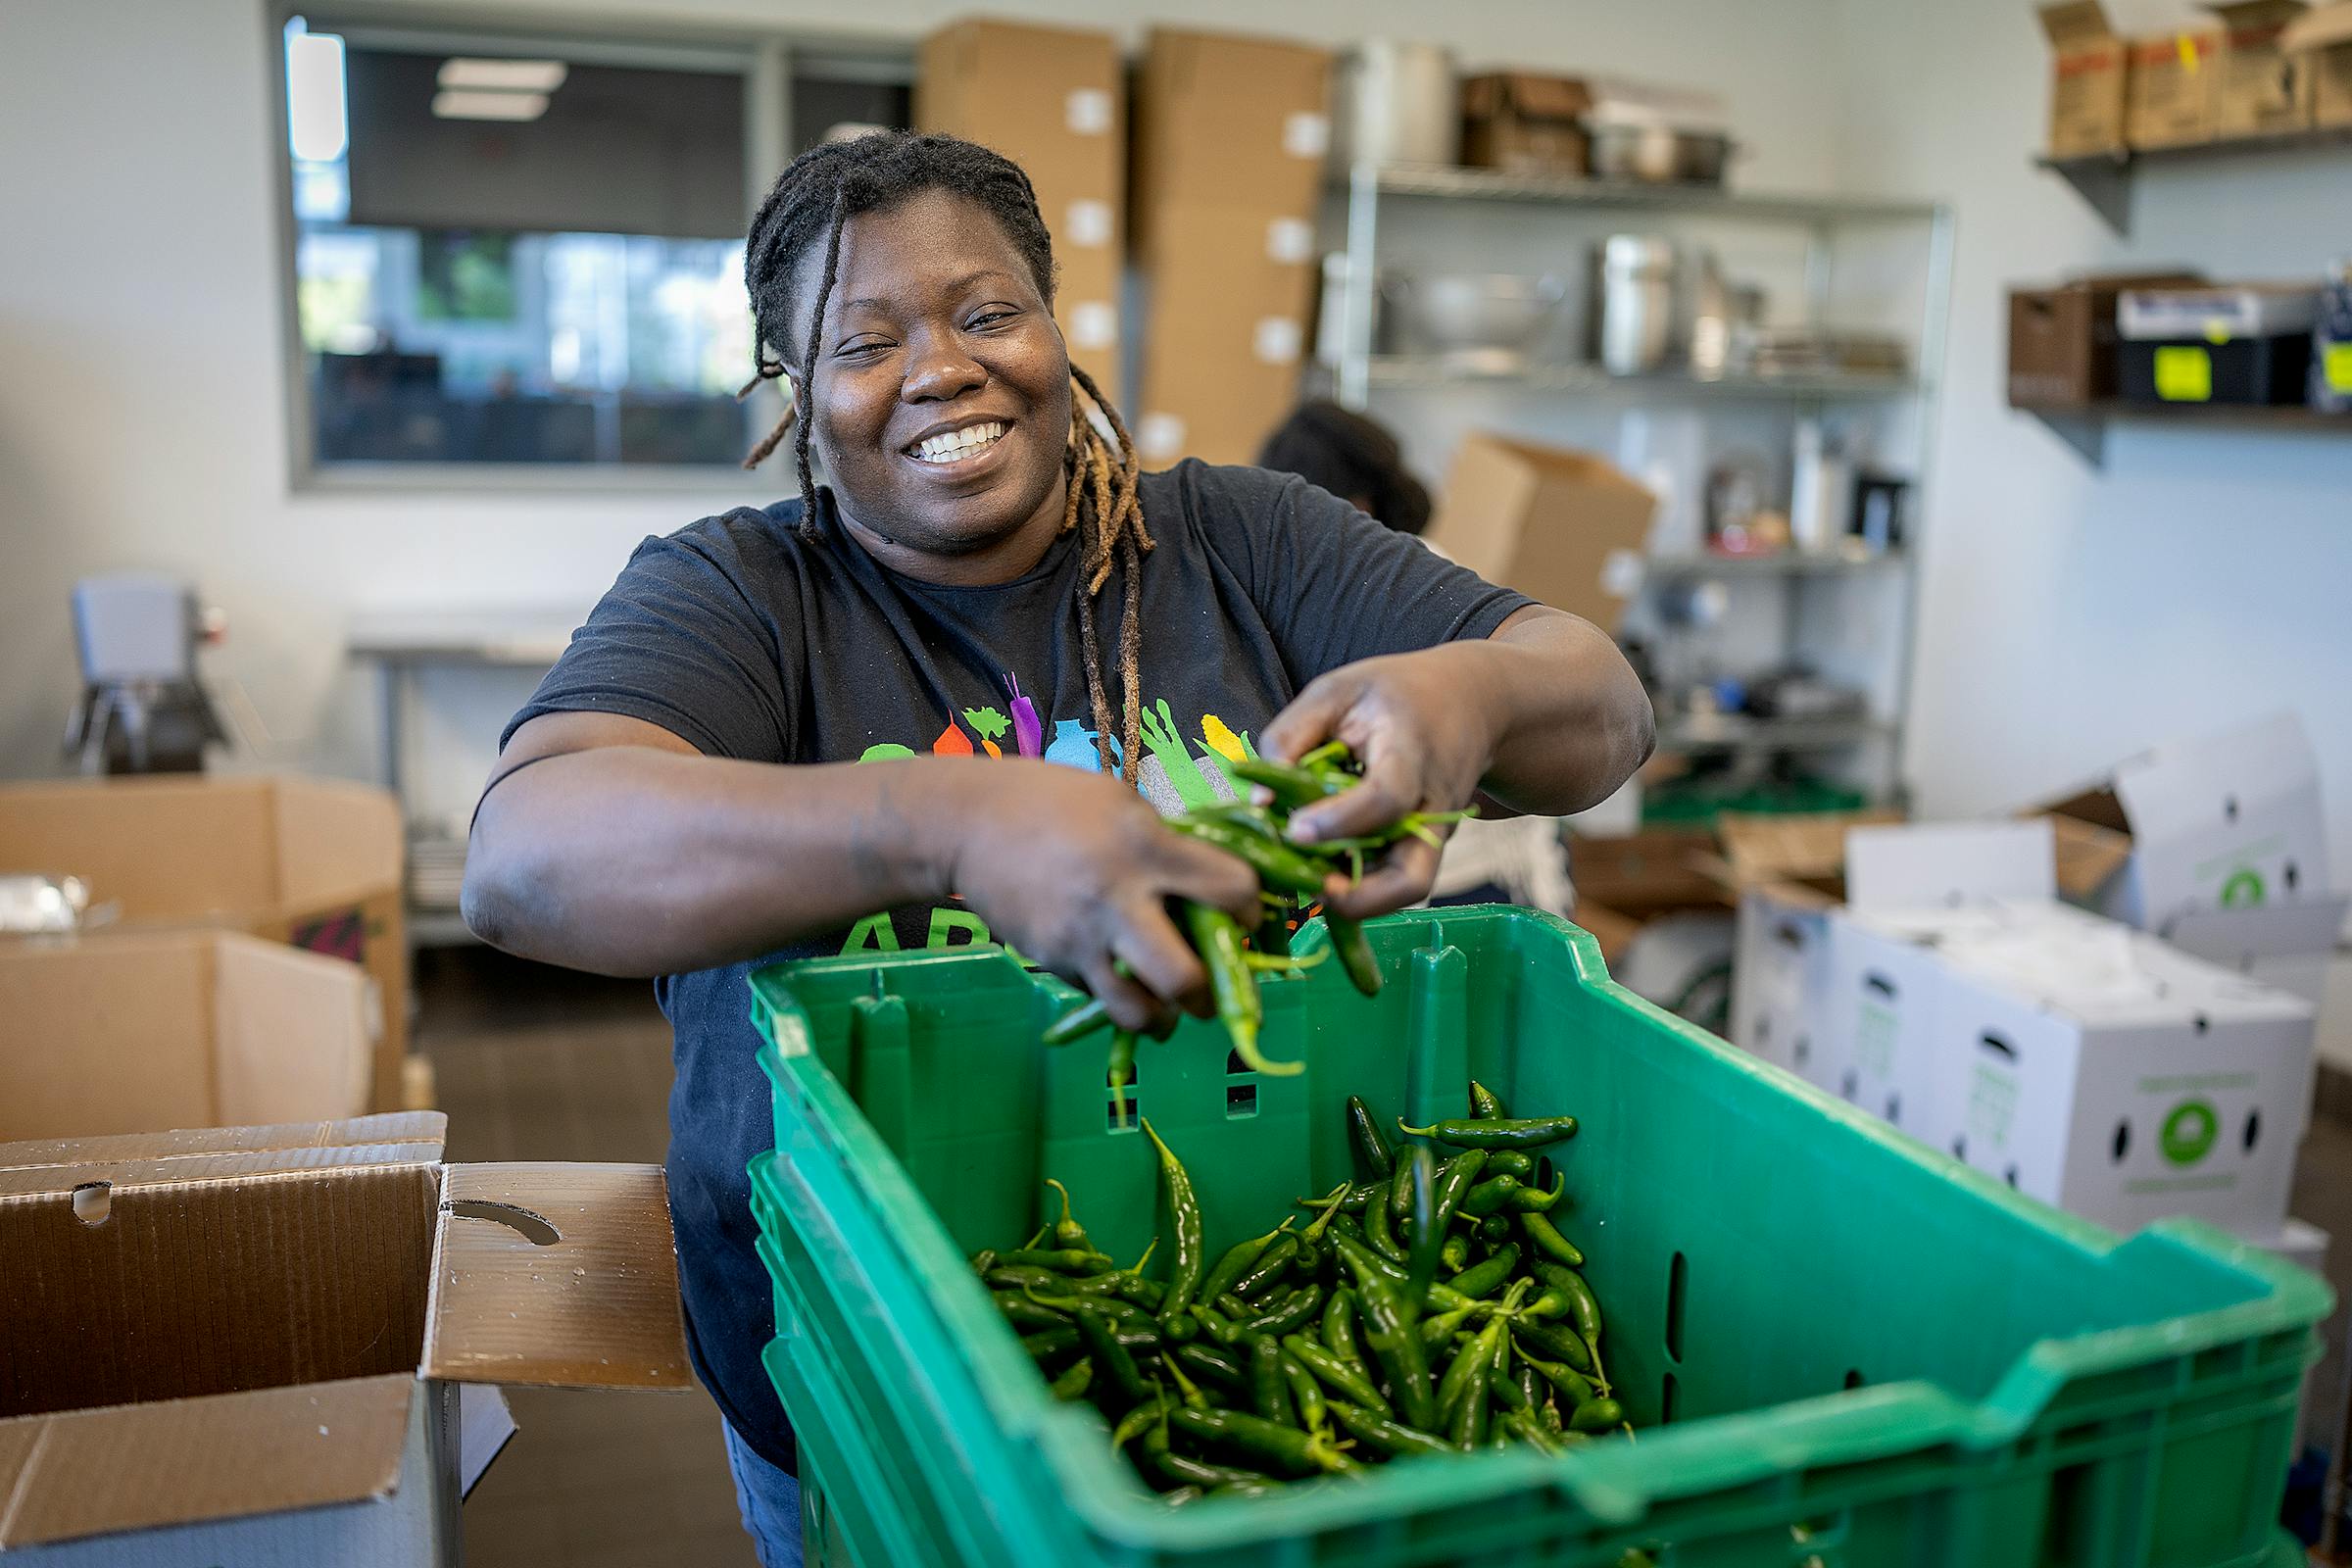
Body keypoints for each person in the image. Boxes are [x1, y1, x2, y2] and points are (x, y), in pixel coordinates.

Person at [461, 131, 1652, 1568]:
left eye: (987, 313)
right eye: (862, 340)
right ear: (797, 396)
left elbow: (1599, 705)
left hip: (1234, 1350)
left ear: (1054, 325)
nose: (941, 369)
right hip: (855, 1378)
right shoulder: (742, 596)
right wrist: (950, 823)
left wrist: (1467, 697)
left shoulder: (1240, 542)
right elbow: (524, 857)